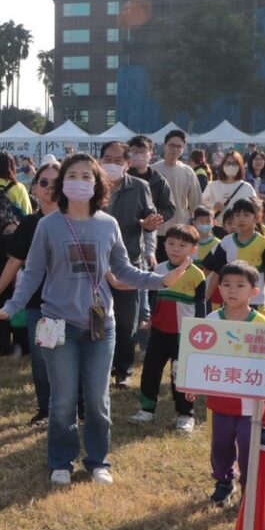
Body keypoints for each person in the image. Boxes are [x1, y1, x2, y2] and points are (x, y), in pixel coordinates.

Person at [0, 153, 193, 486]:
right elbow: (32, 273)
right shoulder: (48, 225)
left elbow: (123, 270)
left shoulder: (107, 224)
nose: (78, 181)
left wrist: (160, 280)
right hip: (56, 323)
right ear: (63, 183)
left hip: (100, 326)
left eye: (85, 176)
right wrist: (8, 308)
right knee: (62, 400)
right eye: (72, 175)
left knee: (96, 399)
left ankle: (97, 461)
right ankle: (61, 460)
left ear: (97, 184)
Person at [0, 162, 60, 426]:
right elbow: (14, 261)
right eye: (44, 182)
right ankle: (47, 409)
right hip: (41, 304)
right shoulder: (30, 223)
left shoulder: (77, 220)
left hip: (73, 304)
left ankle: (76, 406)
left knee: (70, 359)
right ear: (34, 188)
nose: (50, 188)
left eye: (56, 182)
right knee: (44, 358)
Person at [189, 261, 265, 507]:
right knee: (220, 444)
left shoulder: (262, 325)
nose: (232, 290)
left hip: (250, 402)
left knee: (247, 445)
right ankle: (224, 481)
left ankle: (250, 488)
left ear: (254, 292)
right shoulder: (211, 320)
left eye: (240, 285)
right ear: (219, 290)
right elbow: (200, 356)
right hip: (220, 400)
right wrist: (193, 384)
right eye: (226, 285)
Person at [129, 223, 206, 432]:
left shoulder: (197, 275)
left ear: (193, 249)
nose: (175, 248)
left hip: (184, 335)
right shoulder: (160, 270)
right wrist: (151, 319)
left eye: (182, 245)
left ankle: (185, 414)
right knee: (150, 370)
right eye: (171, 243)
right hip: (159, 332)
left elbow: (201, 306)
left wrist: (199, 331)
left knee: (180, 374)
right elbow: (154, 297)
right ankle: (147, 409)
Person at [99, 140, 162, 388]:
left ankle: (123, 369)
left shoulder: (139, 187)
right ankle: (100, 364)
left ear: (127, 164)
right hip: (94, 264)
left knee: (127, 321)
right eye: (107, 159)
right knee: (96, 317)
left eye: (118, 160)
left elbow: (151, 221)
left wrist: (149, 238)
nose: (112, 164)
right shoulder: (90, 186)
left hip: (128, 261)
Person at [198, 199, 265, 317]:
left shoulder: (264, 243)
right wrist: (205, 297)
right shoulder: (226, 242)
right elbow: (217, 271)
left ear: (256, 217)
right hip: (231, 301)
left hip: (257, 302)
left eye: (246, 215)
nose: (241, 219)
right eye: (237, 215)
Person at [151, 130, 201, 256]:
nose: (175, 149)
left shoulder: (188, 172)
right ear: (165, 145)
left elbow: (196, 202)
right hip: (156, 230)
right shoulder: (152, 170)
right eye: (172, 145)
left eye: (179, 146)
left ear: (184, 149)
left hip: (180, 230)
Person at [201, 150, 257, 215]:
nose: (231, 166)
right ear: (222, 165)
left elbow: (255, 207)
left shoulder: (247, 187)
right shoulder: (212, 186)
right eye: (228, 163)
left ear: (240, 166)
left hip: (240, 224)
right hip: (217, 223)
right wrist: (213, 205)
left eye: (234, 163)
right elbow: (201, 203)